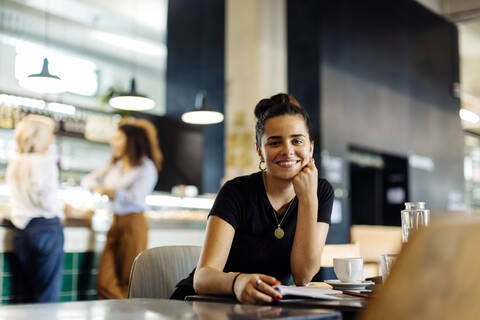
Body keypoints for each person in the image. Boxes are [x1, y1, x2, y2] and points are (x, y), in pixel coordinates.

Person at [171, 93, 334, 304]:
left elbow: (303, 276)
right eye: (275, 143)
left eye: (297, 141)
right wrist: (238, 282)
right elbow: (203, 277)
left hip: (263, 307)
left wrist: (308, 199)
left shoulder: (321, 192)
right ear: (260, 152)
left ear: (310, 147)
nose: (287, 151)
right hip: (206, 303)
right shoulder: (236, 191)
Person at [81, 118, 162, 299]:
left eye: (118, 138)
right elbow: (87, 180)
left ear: (130, 141)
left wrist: (110, 192)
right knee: (104, 282)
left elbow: (135, 197)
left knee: (129, 280)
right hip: (115, 221)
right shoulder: (115, 165)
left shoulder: (145, 167)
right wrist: (104, 190)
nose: (113, 142)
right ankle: (126, 311)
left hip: (134, 222)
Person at [6, 114, 64, 302]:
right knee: (47, 296)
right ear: (39, 136)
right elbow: (45, 200)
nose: (52, 139)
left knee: (28, 294)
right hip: (46, 227)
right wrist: (59, 209)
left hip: (21, 231)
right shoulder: (44, 162)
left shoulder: (15, 162)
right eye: (49, 134)